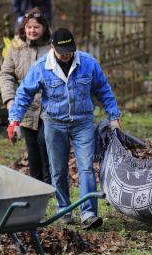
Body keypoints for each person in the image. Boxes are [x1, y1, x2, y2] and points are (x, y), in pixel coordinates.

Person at [7, 28, 121, 230]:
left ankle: (89, 214)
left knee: (86, 167)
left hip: (82, 122)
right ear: (52, 47)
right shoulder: (41, 67)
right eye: (62, 51)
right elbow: (24, 93)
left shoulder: (87, 63)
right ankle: (64, 209)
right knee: (58, 169)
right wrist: (14, 120)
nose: (67, 54)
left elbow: (103, 89)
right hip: (54, 123)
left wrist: (114, 116)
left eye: (70, 50)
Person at [0, 7, 52, 185]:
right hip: (25, 107)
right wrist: (10, 102)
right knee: (32, 149)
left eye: (37, 26)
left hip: (49, 107)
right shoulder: (16, 46)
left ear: (44, 27)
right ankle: (37, 186)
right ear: (24, 28)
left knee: (45, 143)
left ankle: (51, 185)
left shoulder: (52, 46)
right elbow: (6, 74)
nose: (32, 30)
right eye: (29, 27)